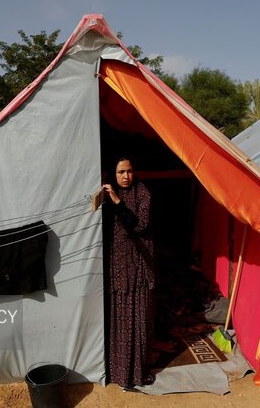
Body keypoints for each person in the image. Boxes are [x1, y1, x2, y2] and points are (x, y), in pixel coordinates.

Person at [103, 156, 155, 389]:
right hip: (117, 267)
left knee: (138, 316)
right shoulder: (105, 197)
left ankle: (136, 373)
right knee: (118, 317)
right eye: (121, 172)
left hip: (139, 264)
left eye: (130, 171)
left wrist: (117, 202)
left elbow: (139, 225)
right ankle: (117, 372)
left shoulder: (142, 194)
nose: (126, 176)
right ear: (112, 175)